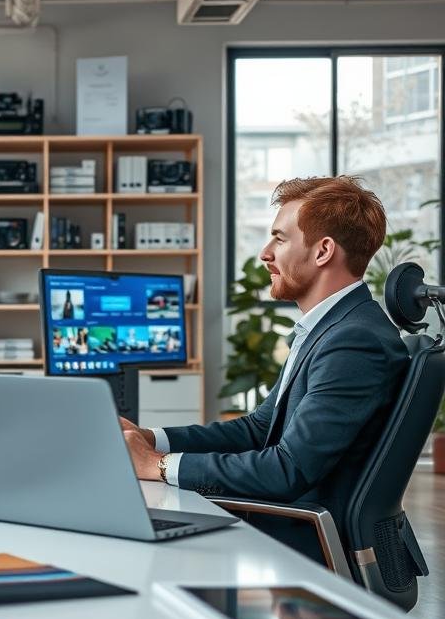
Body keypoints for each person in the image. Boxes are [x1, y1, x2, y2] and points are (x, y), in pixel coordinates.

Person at [121, 175, 408, 553]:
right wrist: (151, 438)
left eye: (280, 238)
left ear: (323, 251)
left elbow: (288, 470)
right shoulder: (333, 327)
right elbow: (259, 428)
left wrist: (156, 465)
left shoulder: (354, 341)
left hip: (308, 543)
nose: (265, 253)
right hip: (297, 528)